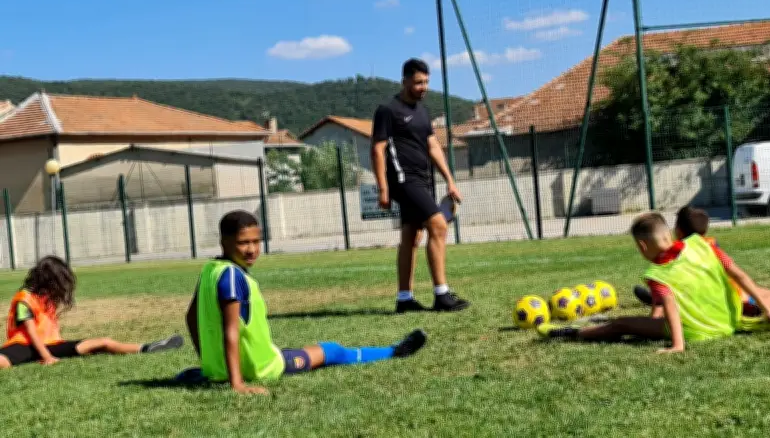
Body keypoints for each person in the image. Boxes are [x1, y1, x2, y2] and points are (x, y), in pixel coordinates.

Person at [184, 210, 428, 395]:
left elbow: (190, 317)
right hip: (262, 368)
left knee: (295, 350)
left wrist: (210, 364)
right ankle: (395, 351)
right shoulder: (232, 276)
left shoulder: (209, 270)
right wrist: (237, 383)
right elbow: (231, 332)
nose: (251, 249)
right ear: (224, 243)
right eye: (243, 242)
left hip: (221, 369)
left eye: (256, 241)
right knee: (332, 350)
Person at [537, 212, 770, 353]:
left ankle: (571, 333)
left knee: (621, 323)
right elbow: (740, 276)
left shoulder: (657, 273)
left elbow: (671, 308)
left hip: (698, 331)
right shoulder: (703, 244)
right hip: (730, 321)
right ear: (670, 234)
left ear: (642, 246)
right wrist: (767, 312)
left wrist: (677, 345)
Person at [370, 57, 470, 314]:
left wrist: (449, 180)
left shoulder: (423, 112)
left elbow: (433, 146)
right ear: (404, 81)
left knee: (412, 236)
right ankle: (442, 295)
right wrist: (383, 187)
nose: (423, 87)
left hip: (424, 180)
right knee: (437, 224)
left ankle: (404, 299)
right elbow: (378, 150)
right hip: (403, 180)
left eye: (426, 82)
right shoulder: (388, 110)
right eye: (418, 82)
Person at [0, 256, 183, 369]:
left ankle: (147, 348)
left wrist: (50, 353)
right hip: (24, 347)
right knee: (3, 363)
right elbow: (31, 333)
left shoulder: (45, 299)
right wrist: (48, 358)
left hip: (51, 345)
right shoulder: (23, 299)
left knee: (102, 343)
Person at [633, 205, 770, 315]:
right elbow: (737, 275)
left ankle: (658, 299)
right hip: (725, 294)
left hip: (697, 299)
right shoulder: (709, 246)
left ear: (677, 231)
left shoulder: (673, 253)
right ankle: (756, 307)